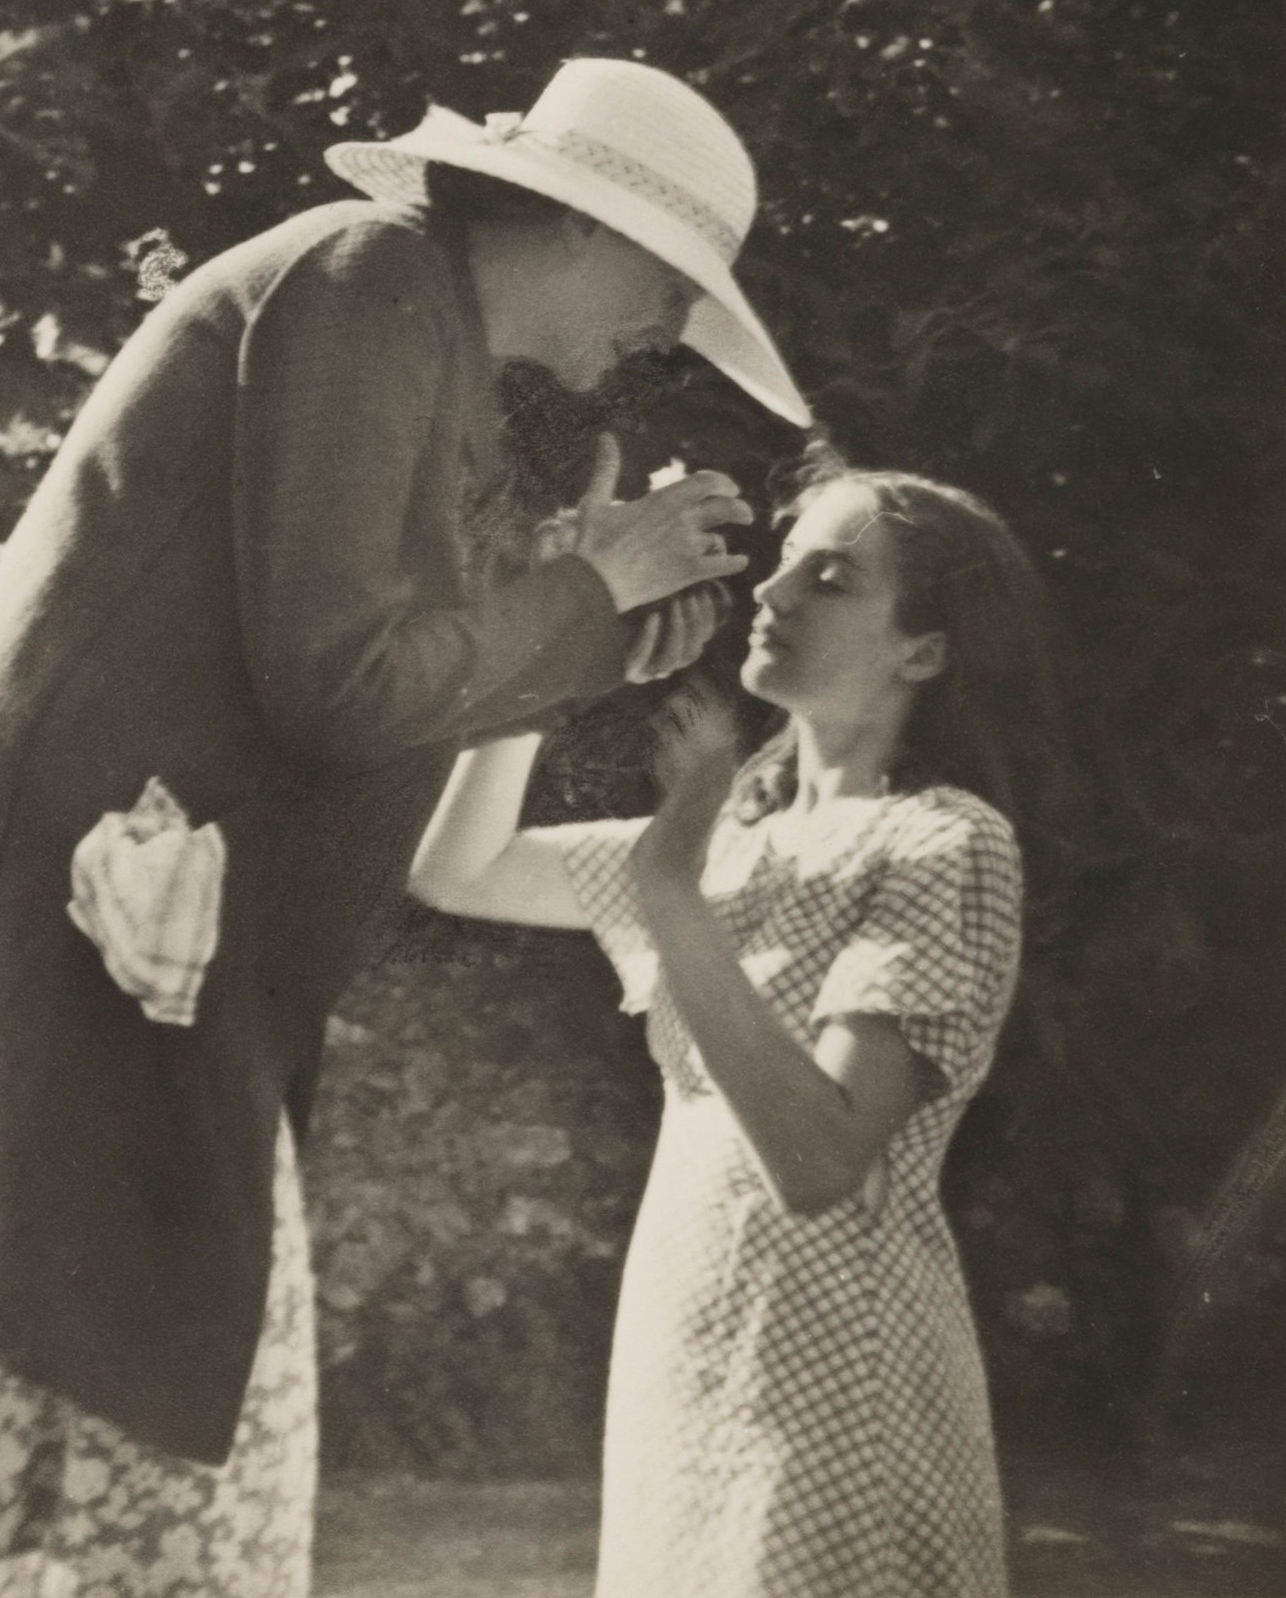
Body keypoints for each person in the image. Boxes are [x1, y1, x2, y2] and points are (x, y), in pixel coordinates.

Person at [0, 57, 811, 1598]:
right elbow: (338, 687)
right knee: (90, 1436)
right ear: (583, 230)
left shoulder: (413, 333)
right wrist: (590, 590)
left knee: (124, 1432)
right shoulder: (365, 275)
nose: (666, 333)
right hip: (82, 946)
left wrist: (580, 600)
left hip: (150, 962)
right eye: (671, 288)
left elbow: (385, 666)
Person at [412, 465, 1077, 1598]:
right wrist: (550, 658)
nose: (772, 590)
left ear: (923, 651)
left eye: (828, 576)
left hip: (838, 1369)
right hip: (693, 1342)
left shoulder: (941, 844)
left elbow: (820, 1161)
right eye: (783, 559)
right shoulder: (731, 840)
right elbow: (455, 868)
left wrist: (671, 894)